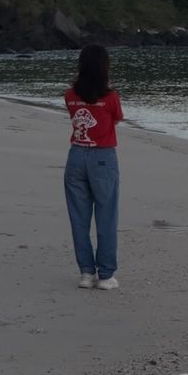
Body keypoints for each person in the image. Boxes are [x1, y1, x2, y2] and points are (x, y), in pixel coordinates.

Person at [63, 44, 124, 290]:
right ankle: (106, 274)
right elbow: (117, 117)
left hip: (76, 155)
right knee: (106, 215)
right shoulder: (110, 98)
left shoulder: (70, 95)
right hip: (102, 156)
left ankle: (86, 272)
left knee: (79, 217)